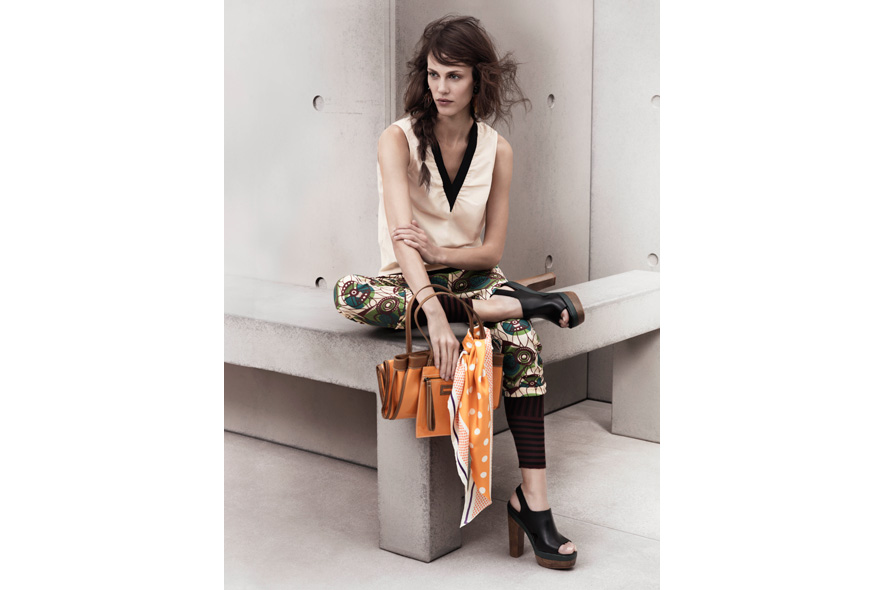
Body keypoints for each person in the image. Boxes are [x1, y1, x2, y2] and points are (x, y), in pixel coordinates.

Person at [333, 14, 583, 569]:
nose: (441, 88)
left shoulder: (498, 150)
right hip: (409, 282)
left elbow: (490, 251)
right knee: (350, 293)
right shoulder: (397, 140)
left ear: (478, 80)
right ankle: (513, 303)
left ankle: (535, 504)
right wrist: (431, 309)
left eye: (454, 76)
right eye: (433, 74)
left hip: (472, 277)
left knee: (524, 344)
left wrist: (444, 252)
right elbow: (403, 243)